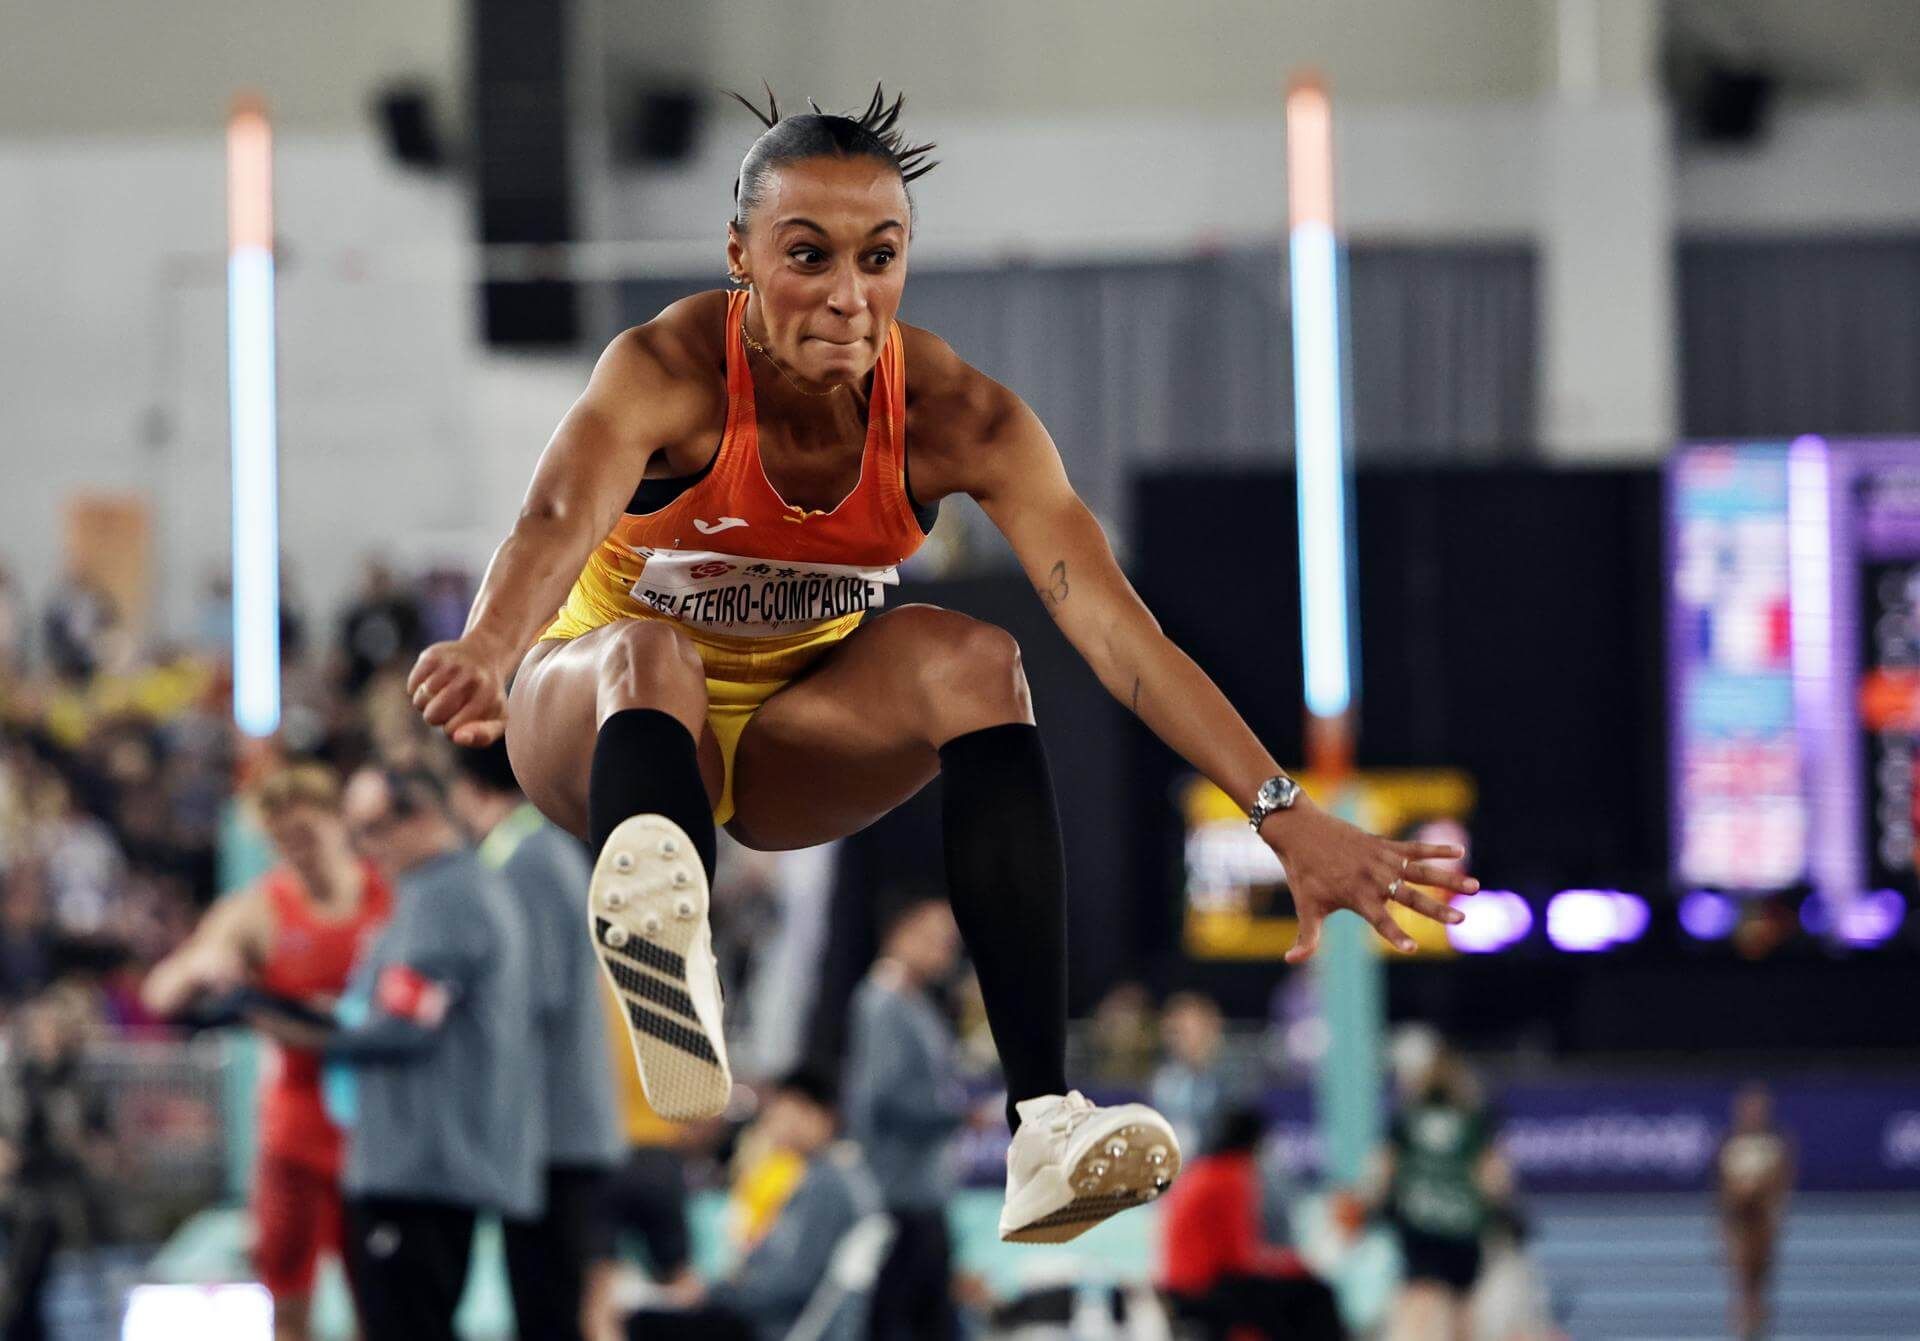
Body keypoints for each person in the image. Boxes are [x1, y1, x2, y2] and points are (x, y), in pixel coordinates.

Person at [404, 83, 1478, 1243]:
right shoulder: (668, 368)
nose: (847, 296)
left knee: (980, 660)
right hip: (594, 717)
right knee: (653, 653)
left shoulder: (957, 416)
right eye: (806, 257)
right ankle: (674, 952)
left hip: (780, 747)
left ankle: (1043, 1122)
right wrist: (491, 642)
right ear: (739, 257)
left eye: (880, 256)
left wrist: (1279, 810)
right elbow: (558, 513)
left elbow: (1124, 638)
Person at [249, 767, 541, 1341]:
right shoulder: (436, 893)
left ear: (423, 818)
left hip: (420, 1170)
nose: (363, 850)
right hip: (422, 1167)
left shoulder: (447, 896)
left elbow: (406, 1026)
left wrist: (304, 1030)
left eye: (372, 830)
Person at [141, 763, 393, 1341]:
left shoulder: (388, 897)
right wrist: (202, 967)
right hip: (296, 1132)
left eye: (306, 834)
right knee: (288, 1304)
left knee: (377, 1307)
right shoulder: (261, 909)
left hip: (374, 1133)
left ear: (338, 823)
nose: (296, 851)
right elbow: (162, 991)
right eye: (281, 841)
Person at [448, 742, 624, 1341]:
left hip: (556, 1129)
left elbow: (537, 990)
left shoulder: (530, 858)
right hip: (549, 1128)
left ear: (466, 789)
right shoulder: (532, 852)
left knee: (548, 1307)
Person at [622, 1069, 881, 1341]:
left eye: (780, 1114)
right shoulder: (839, 1176)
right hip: (777, 1319)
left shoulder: (829, 1185)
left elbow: (789, 1283)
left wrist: (712, 1293)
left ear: (817, 1115)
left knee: (643, 1323)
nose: (770, 1125)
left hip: (773, 1326)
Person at [844, 895, 968, 1341]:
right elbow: (885, 1096)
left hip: (922, 1189)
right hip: (898, 1192)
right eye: (936, 939)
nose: (946, 951)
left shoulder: (913, 1002)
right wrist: (957, 1114)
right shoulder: (883, 1003)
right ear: (900, 933)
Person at [1367, 1029, 1511, 1341]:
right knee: (1462, 1307)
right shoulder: (1473, 1121)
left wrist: (1375, 1207)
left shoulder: (1406, 1119)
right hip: (1463, 1226)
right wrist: (1501, 1215)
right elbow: (1494, 1177)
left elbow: (1381, 1169)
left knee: (1419, 1298)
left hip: (1419, 1223)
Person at [1159, 1108, 1344, 1341]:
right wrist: (1293, 1266)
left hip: (1182, 1287)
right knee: (1314, 1296)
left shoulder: (1201, 1171)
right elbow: (1239, 1260)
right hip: (1203, 1290)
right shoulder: (1231, 1174)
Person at [0, 986, 113, 1341]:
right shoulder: (15, 1077)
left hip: (67, 1192)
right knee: (23, 1278)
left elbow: (98, 1140)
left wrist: (86, 1147)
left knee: (64, 1278)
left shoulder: (78, 1081)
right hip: (23, 1193)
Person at [1717, 1084, 1793, 1341]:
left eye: (1757, 1108)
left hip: (1761, 1223)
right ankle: (1743, 1329)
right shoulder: (1731, 1143)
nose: (1752, 1113)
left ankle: (1757, 1329)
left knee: (1758, 1283)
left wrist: (1759, 1193)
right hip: (1739, 1223)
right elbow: (1724, 1189)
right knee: (1741, 1283)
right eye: (1748, 1108)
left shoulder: (1775, 1144)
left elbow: (1780, 1185)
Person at [1152, 991, 1236, 1157]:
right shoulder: (1163, 1078)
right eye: (1175, 1032)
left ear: (1211, 1030)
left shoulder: (1233, 1078)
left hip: (1217, 1167)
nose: (1181, 1040)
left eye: (1188, 1031)